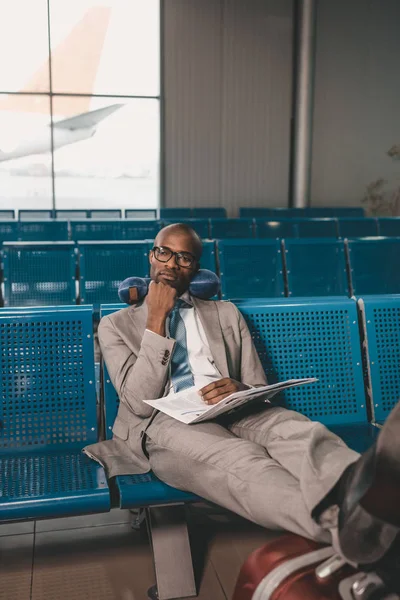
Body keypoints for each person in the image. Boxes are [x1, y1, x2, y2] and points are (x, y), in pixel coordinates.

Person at [85, 223, 400, 587]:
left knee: (299, 431)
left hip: (235, 409)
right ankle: (346, 527)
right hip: (164, 424)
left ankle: (369, 495)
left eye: (184, 257)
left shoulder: (224, 313)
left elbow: (259, 386)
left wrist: (239, 386)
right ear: (151, 256)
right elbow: (138, 404)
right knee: (241, 461)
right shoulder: (116, 324)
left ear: (197, 267)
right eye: (163, 253)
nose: (171, 263)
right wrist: (156, 321)